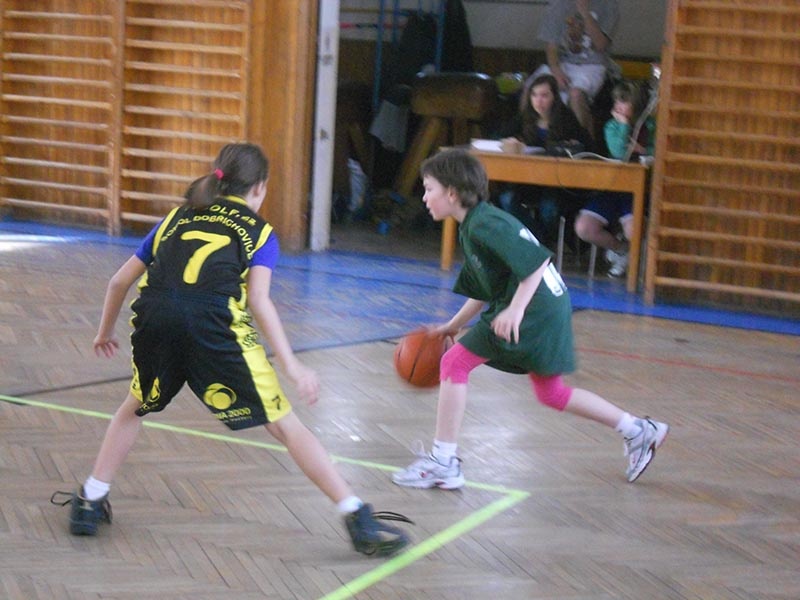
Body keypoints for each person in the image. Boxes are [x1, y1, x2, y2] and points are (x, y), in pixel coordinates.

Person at [52, 143, 410, 558]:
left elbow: (118, 281)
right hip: (215, 329)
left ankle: (90, 500)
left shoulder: (175, 217)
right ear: (260, 188)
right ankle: (356, 516)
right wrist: (292, 365)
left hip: (155, 321)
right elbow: (259, 300)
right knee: (285, 425)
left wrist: (103, 332)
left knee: (133, 408)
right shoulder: (260, 232)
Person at [391, 148, 668, 490]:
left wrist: (516, 309)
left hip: (535, 308)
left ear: (451, 192)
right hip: (547, 306)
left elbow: (536, 263)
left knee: (454, 362)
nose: (424, 196)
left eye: (428, 188)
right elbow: (484, 290)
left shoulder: (485, 224)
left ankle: (443, 461)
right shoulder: (476, 224)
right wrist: (453, 324)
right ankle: (638, 430)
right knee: (552, 393)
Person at [496, 73, 593, 246]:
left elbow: (588, 145)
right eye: (534, 95)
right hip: (527, 181)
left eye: (544, 95)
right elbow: (498, 136)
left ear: (554, 97)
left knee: (549, 209)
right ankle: (540, 242)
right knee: (506, 199)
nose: (538, 101)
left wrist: (572, 146)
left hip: (556, 184)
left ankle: (540, 243)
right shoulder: (524, 117)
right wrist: (509, 141)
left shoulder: (566, 118)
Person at [574, 80, 656, 277]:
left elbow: (658, 150)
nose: (618, 106)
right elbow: (619, 151)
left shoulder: (650, 126)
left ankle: (637, 257)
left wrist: (645, 150)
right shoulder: (612, 126)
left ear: (636, 105)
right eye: (617, 102)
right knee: (584, 228)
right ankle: (621, 250)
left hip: (637, 192)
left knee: (633, 231)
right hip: (612, 189)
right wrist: (624, 125)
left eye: (624, 102)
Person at [534, 0, 620, 135]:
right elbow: (551, 47)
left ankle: (580, 141)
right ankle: (528, 138)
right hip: (562, 63)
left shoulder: (608, 5)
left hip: (592, 65)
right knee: (532, 88)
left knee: (575, 94)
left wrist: (585, 13)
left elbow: (600, 45)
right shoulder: (558, 5)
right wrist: (556, 71)